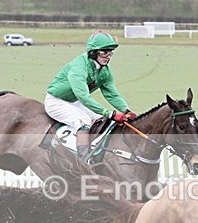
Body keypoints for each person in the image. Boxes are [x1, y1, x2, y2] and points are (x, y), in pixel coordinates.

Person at [44, 31, 136, 160]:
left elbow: (111, 94)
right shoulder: (78, 67)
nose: (108, 56)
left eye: (110, 52)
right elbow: (83, 97)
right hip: (57, 102)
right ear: (93, 52)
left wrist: (126, 110)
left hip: (74, 101)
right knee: (83, 121)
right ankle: (82, 160)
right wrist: (111, 113)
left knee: (100, 120)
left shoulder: (104, 71)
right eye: (104, 52)